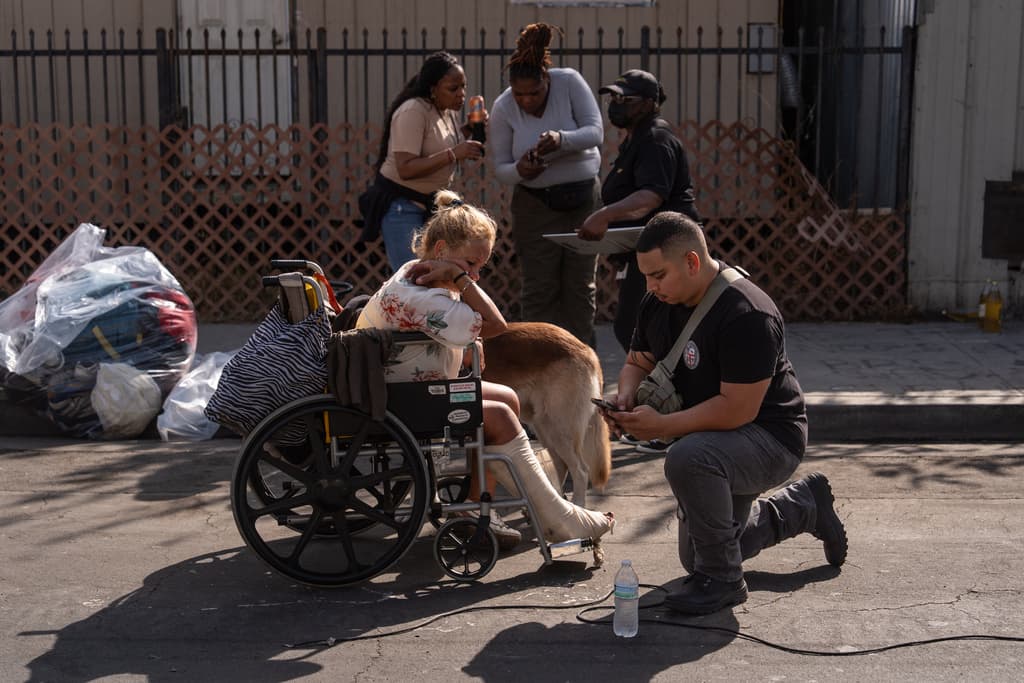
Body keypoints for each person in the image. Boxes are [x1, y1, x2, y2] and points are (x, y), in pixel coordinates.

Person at [598, 212, 847, 616]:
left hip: (769, 437)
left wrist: (661, 426)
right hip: (715, 436)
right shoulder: (657, 303)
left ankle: (723, 582)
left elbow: (737, 409)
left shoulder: (747, 313)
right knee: (694, 558)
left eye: (658, 275)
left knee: (688, 459)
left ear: (692, 262)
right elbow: (636, 362)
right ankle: (803, 506)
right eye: (645, 276)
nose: (650, 286)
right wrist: (625, 399)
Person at [357, 190, 614, 550]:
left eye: (481, 268)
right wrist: (461, 282)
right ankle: (557, 517)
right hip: (404, 397)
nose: (475, 275)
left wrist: (458, 281)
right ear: (442, 251)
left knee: (507, 398)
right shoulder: (428, 298)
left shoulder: (410, 273)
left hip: (399, 386)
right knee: (497, 416)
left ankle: (484, 503)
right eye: (470, 265)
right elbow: (496, 324)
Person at [488, 23, 604, 346]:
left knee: (580, 288)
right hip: (535, 204)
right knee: (540, 288)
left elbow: (596, 132)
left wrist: (561, 139)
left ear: (547, 80)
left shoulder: (569, 83)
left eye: (534, 93)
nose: (526, 100)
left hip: (583, 200)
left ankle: (582, 362)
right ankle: (538, 359)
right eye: (519, 93)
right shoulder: (503, 107)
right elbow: (501, 168)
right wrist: (522, 171)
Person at [578, 69, 700, 353]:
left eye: (625, 100)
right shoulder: (636, 138)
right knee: (639, 328)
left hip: (670, 246)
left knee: (639, 328)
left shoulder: (656, 138)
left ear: (648, 103)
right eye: (613, 99)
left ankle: (665, 387)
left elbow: (651, 196)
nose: (615, 106)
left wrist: (603, 216)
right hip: (647, 246)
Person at [370, 51, 485, 272]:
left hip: (431, 207)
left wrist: (470, 128)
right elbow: (405, 168)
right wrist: (454, 154)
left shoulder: (445, 110)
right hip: (403, 207)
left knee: (435, 278)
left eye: (463, 86)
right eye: (453, 88)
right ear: (433, 89)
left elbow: (439, 143)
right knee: (413, 278)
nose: (461, 94)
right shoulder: (413, 110)